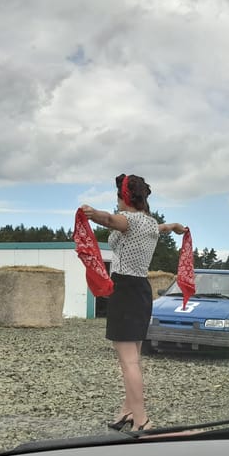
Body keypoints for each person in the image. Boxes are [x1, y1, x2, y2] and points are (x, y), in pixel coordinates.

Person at [81, 174, 186, 433]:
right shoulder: (150, 223)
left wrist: (93, 214)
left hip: (126, 290)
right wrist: (174, 226)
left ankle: (142, 420)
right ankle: (128, 410)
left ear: (124, 198)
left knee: (128, 361)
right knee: (133, 358)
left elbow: (109, 220)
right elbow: (162, 228)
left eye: (118, 198)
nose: (117, 203)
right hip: (141, 290)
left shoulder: (128, 220)